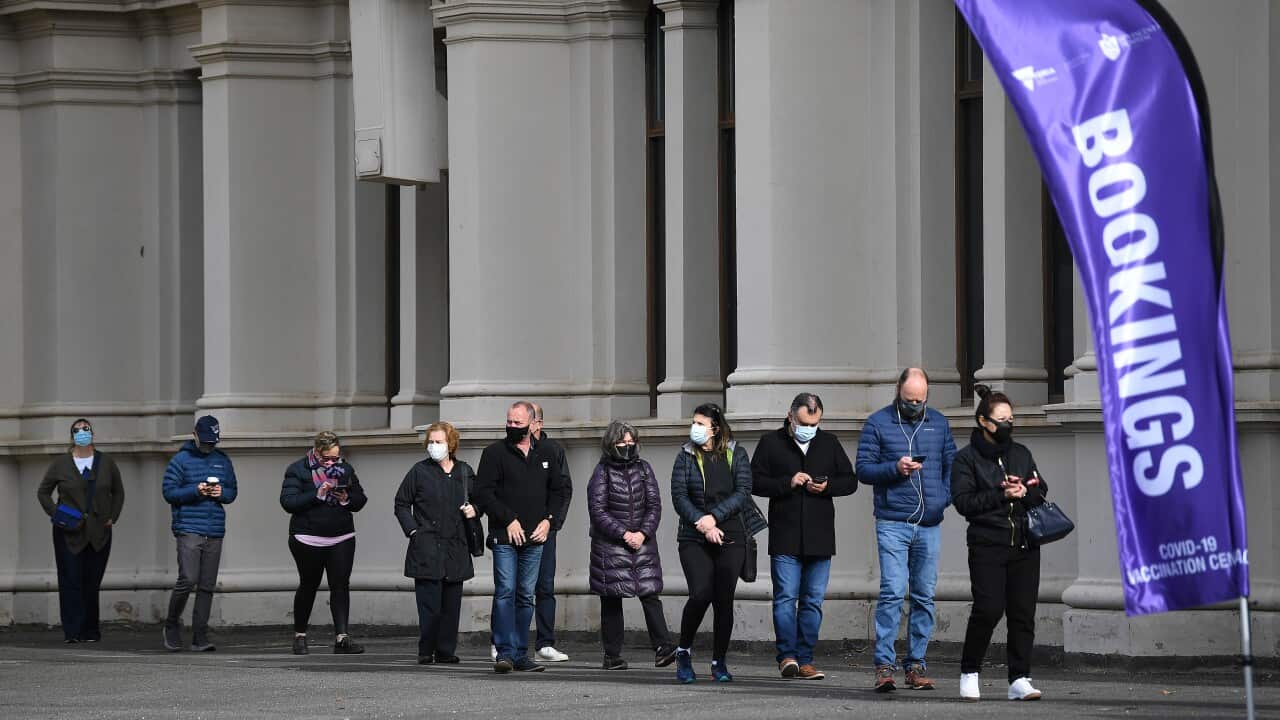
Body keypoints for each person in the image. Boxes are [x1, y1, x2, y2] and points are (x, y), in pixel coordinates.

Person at [855, 368, 956, 692]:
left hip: (929, 522)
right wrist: (895, 469)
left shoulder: (939, 422)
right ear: (898, 391)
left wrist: (942, 499)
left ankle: (916, 665)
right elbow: (864, 469)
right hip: (893, 522)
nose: (915, 405)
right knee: (893, 592)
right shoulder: (878, 423)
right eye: (910, 399)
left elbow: (952, 464)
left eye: (921, 400)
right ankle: (885, 666)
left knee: (924, 596)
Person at [951, 385, 1048, 701]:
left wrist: (1024, 491)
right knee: (988, 609)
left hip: (1024, 544)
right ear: (984, 421)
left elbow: (1040, 488)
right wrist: (1000, 494)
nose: (1008, 424)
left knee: (1023, 614)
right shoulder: (966, 459)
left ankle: (1019, 678)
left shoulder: (1021, 453)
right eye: (1002, 419)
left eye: (1011, 419)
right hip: (987, 544)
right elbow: (964, 502)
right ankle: (970, 670)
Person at [751, 393, 857, 680]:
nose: (810, 427)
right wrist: (788, 482)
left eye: (815, 422)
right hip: (785, 534)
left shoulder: (829, 442)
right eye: (804, 422)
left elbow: (850, 481)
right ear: (790, 417)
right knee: (785, 598)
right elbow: (754, 481)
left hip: (820, 535)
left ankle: (806, 658)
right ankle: (787, 656)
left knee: (812, 600)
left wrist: (828, 486)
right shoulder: (770, 443)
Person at [670, 403, 767, 684]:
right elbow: (679, 496)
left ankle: (718, 661)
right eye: (694, 422)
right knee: (700, 594)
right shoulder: (685, 455)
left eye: (701, 423)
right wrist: (702, 522)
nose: (695, 428)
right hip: (694, 536)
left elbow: (743, 492)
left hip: (731, 535)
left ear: (715, 427)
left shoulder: (736, 453)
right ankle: (683, 651)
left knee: (724, 600)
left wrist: (714, 518)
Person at [473, 401, 571, 673]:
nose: (512, 426)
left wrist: (549, 521)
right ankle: (503, 652)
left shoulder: (549, 451)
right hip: (505, 537)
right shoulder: (494, 453)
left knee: (527, 595)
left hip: (536, 537)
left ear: (532, 424)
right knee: (506, 591)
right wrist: (508, 520)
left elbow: (559, 492)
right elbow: (483, 493)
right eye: (509, 421)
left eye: (518, 423)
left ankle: (519, 653)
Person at [587, 421, 676, 670]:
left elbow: (654, 506)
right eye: (622, 442)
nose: (627, 446)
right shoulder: (602, 472)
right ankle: (612, 655)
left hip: (642, 544)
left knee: (649, 594)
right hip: (611, 546)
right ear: (610, 444)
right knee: (612, 598)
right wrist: (624, 533)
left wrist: (643, 533)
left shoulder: (644, 469)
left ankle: (663, 647)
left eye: (631, 442)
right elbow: (598, 510)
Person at [394, 421, 479, 665]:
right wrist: (413, 531)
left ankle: (445, 650)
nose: (434, 446)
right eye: (431, 442)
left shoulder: (464, 472)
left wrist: (475, 510)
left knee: (451, 604)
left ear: (450, 444)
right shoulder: (419, 471)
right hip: (427, 546)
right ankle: (426, 649)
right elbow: (401, 503)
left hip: (456, 546)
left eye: (438, 442)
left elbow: (479, 500)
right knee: (429, 604)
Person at [37, 418, 125, 643]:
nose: (82, 433)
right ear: (71, 436)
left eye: (86, 429)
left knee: (91, 581)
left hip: (98, 532)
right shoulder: (61, 464)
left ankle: (90, 630)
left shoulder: (106, 463)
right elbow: (43, 492)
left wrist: (111, 517)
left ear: (92, 434)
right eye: (77, 430)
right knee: (70, 580)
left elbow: (118, 492)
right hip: (69, 532)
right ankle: (73, 631)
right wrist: (57, 514)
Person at [280, 431, 369, 655]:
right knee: (308, 584)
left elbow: (360, 499)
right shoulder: (298, 469)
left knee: (340, 585)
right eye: (326, 459)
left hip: (341, 535)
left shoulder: (345, 469)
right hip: (308, 536)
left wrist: (346, 499)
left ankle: (342, 637)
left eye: (335, 458)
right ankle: (300, 636)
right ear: (316, 452)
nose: (331, 463)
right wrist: (316, 495)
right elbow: (288, 502)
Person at [161, 415, 238, 652]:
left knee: (207, 584)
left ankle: (199, 635)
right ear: (194, 435)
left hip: (214, 528)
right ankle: (172, 624)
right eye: (204, 441)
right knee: (188, 579)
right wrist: (196, 490)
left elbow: (232, 492)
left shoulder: (222, 461)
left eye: (211, 442)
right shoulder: (180, 460)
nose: (207, 446)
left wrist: (220, 493)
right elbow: (169, 493)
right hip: (188, 527)